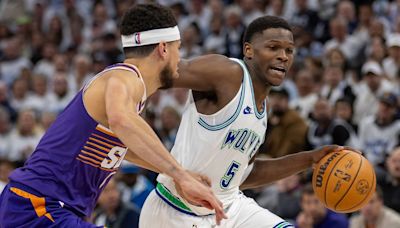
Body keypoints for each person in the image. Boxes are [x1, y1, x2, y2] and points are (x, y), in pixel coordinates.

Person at [0, 4, 225, 227]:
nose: (180, 58)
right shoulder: (124, 77)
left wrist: (179, 174)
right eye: (179, 48)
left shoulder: (127, 92)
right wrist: (181, 176)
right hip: (37, 205)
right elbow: (122, 121)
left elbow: (128, 149)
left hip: (43, 207)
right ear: (164, 48)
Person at [139, 15, 343, 227]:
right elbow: (160, 73)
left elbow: (244, 174)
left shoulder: (263, 110)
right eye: (273, 47)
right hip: (175, 210)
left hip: (230, 208)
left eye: (289, 50)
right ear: (249, 50)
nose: (283, 56)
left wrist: (311, 159)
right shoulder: (228, 73)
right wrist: (122, 99)